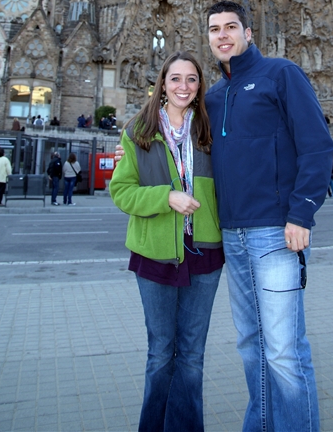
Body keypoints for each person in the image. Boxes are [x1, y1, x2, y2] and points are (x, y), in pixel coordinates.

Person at [205, 0, 333, 432]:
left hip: (276, 234)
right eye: (214, 29)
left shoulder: (280, 74)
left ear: (248, 32)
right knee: (251, 346)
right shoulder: (215, 95)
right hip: (233, 237)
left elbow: (317, 145)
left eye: (231, 27)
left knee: (283, 350)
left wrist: (302, 214)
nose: (223, 35)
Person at [110, 51, 223, 432]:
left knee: (192, 356)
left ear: (199, 87)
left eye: (191, 79)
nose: (183, 86)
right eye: (176, 79)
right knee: (161, 354)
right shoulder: (137, 132)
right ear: (162, 83)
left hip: (203, 254)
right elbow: (122, 192)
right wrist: (166, 198)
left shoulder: (209, 131)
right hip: (156, 253)